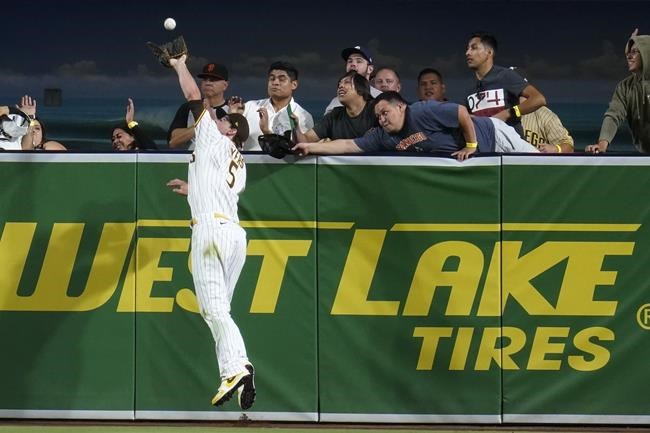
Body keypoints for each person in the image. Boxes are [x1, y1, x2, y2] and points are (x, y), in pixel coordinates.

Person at [164, 53, 255, 410]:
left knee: (214, 311)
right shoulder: (239, 161)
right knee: (221, 311)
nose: (216, 120)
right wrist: (191, 189)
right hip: (234, 234)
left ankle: (236, 369)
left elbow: (192, 95)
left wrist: (179, 65)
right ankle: (238, 366)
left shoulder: (213, 139)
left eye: (224, 120)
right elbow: (220, 188)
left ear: (232, 130)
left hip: (210, 235)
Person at [293, 91, 538, 161]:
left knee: (539, 164)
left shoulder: (421, 111)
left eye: (385, 112)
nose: (382, 119)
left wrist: (471, 145)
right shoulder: (382, 136)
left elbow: (461, 112)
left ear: (401, 107)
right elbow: (347, 145)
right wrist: (309, 147)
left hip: (494, 134)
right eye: (377, 116)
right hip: (483, 158)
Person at [465, 32, 546, 138]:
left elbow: (539, 99)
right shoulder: (470, 91)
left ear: (489, 52)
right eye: (467, 49)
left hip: (512, 149)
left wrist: (509, 113)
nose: (467, 53)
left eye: (474, 48)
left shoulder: (505, 75)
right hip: (487, 149)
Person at [586, 29, 650, 153]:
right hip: (645, 156)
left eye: (635, 52)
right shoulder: (625, 86)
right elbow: (613, 115)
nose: (629, 57)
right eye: (628, 53)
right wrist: (602, 144)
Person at [241, 61, 313, 151]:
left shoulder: (303, 116)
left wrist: (266, 131)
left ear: (294, 84)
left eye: (281, 79)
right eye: (272, 79)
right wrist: (233, 115)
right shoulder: (250, 107)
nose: (275, 83)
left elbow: (304, 150)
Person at [294, 71, 378, 142]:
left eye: (346, 82)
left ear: (361, 89)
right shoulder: (334, 116)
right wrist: (296, 128)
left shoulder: (377, 110)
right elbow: (306, 139)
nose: (340, 86)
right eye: (339, 84)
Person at [167, 62, 230, 149]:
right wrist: (202, 125)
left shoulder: (233, 108)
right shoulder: (188, 107)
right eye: (205, 79)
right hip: (193, 159)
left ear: (225, 85)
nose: (208, 83)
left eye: (213, 79)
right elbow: (173, 141)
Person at [323, 45, 382, 114]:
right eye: (350, 61)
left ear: (370, 69)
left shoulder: (380, 98)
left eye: (359, 61)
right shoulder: (335, 102)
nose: (353, 64)